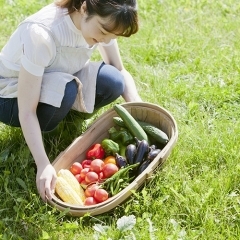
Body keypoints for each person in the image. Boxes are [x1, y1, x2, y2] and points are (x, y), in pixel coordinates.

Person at [0, 0, 142, 202]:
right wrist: (43, 164)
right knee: (65, 91)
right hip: (9, 96)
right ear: (84, 8)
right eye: (103, 32)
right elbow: (27, 110)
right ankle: (49, 127)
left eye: (112, 36)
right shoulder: (42, 34)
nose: (105, 40)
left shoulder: (104, 22)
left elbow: (118, 69)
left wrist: (138, 106)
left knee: (113, 81)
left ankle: (66, 118)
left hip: (60, 77)